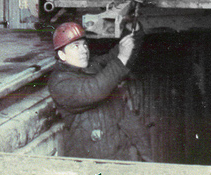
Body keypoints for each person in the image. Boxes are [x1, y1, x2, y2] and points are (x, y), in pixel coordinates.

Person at [47, 20, 152, 161]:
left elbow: (116, 56)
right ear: (62, 55)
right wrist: (122, 57)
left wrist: (133, 32)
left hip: (121, 151)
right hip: (90, 161)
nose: (84, 50)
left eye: (84, 45)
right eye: (75, 46)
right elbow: (95, 89)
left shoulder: (92, 65)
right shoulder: (59, 83)